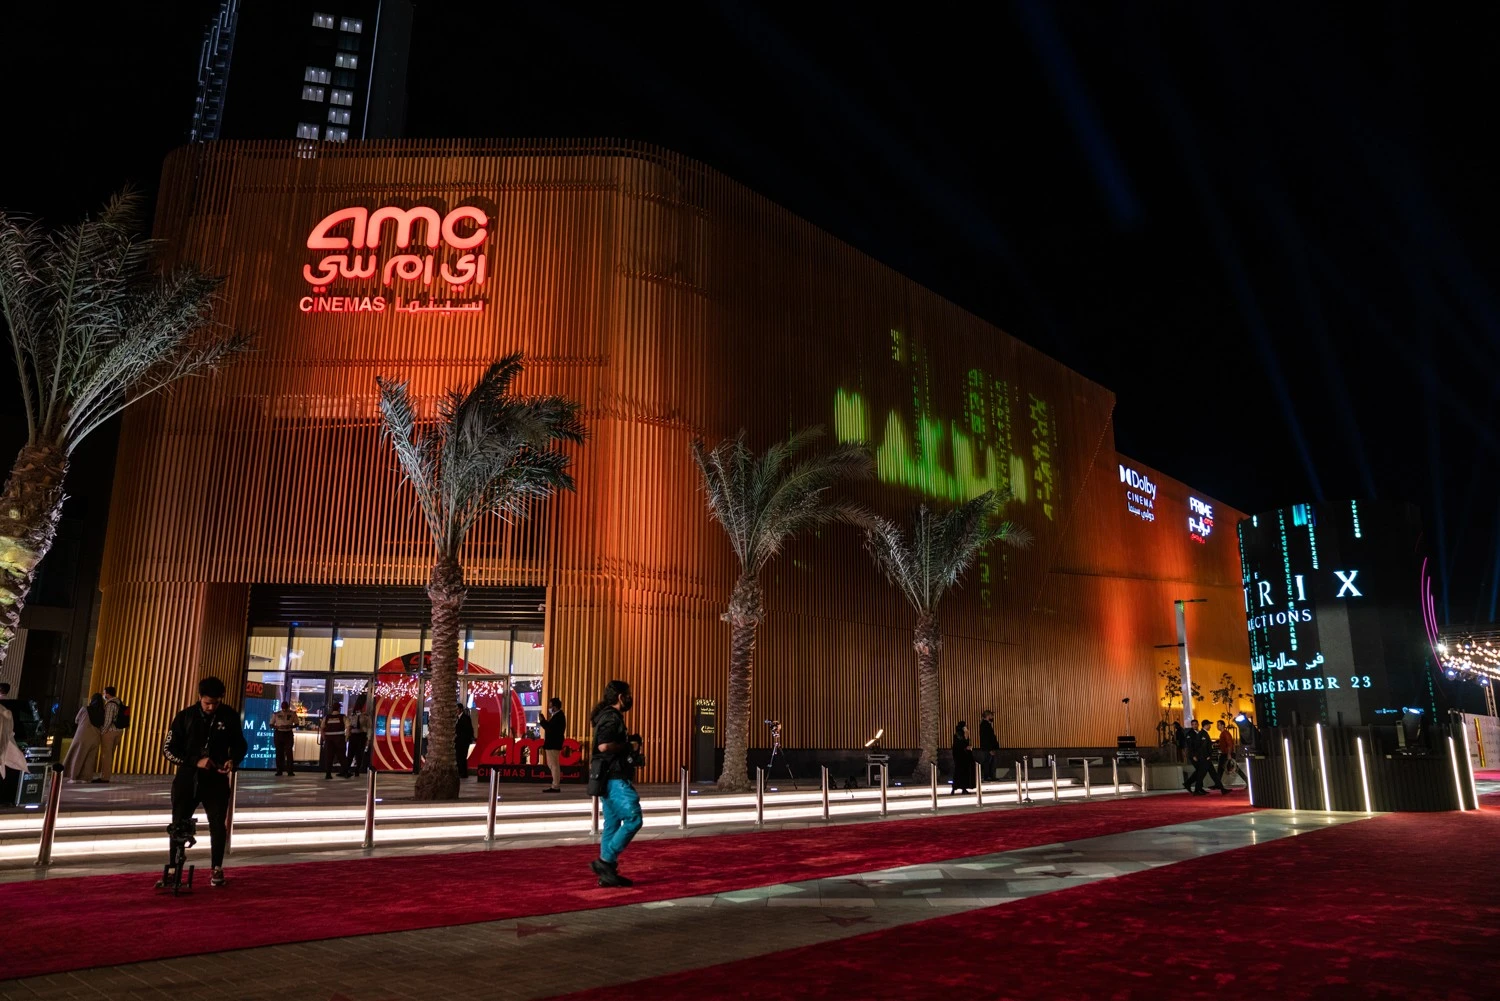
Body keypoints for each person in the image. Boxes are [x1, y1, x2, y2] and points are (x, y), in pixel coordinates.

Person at [163, 676, 247, 887]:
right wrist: (195, 761)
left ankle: (217, 868)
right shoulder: (185, 716)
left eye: (215, 703)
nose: (210, 707)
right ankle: (173, 869)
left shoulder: (229, 716)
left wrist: (232, 760)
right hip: (187, 779)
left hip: (216, 780)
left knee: (218, 825)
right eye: (207, 702)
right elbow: (168, 750)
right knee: (178, 824)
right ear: (199, 697)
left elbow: (240, 744)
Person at [590, 680, 643, 887]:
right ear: (620, 697)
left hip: (607, 778)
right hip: (615, 778)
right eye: (628, 694)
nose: (630, 698)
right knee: (634, 819)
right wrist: (628, 746)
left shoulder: (605, 716)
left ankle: (608, 873)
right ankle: (605, 861)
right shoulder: (611, 718)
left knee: (612, 824)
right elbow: (604, 746)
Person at [63, 693, 104, 783]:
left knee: (78, 755)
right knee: (90, 758)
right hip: (96, 737)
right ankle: (85, 778)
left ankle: (73, 777)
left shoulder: (85, 709)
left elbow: (76, 720)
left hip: (83, 735)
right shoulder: (102, 712)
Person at [1183, 720, 1226, 796]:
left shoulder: (1200, 733)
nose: (1194, 726)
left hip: (1202, 756)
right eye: (1193, 724)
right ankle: (1194, 787)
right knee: (1201, 773)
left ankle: (1220, 789)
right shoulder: (1193, 734)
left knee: (1207, 773)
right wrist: (1195, 756)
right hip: (1200, 757)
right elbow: (1194, 746)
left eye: (1196, 724)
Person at [96, 686, 124, 784]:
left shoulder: (110, 704)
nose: (103, 695)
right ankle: (106, 775)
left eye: (104, 693)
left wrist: (102, 732)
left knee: (106, 755)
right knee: (110, 754)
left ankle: (104, 777)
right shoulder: (119, 702)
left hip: (110, 732)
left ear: (107, 694)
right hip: (119, 731)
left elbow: (107, 721)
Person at [539, 696, 566, 792]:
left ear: (555, 707)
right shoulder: (556, 716)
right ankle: (555, 784)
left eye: (550, 705)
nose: (549, 708)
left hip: (554, 744)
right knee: (552, 764)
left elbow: (550, 729)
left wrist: (542, 721)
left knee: (554, 765)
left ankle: (555, 786)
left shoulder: (559, 716)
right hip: (552, 744)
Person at [270, 699, 299, 776]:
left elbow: (297, 723)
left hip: (288, 734)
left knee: (289, 752)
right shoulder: (276, 714)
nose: (284, 709)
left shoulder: (292, 714)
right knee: (279, 753)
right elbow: (271, 724)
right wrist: (277, 727)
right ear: (281, 706)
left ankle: (290, 771)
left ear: (288, 707)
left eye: (285, 707)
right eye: (283, 707)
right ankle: (279, 770)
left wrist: (290, 726)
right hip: (279, 733)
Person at [343, 694, 369, 778]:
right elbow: (349, 727)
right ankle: (347, 769)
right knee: (350, 753)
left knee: (359, 753)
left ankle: (357, 769)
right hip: (353, 735)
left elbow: (369, 727)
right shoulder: (352, 717)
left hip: (361, 735)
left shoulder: (365, 717)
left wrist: (368, 738)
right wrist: (347, 736)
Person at [319, 702, 347, 780]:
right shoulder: (343, 717)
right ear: (339, 709)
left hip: (329, 740)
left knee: (329, 757)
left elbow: (322, 728)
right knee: (342, 756)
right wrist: (347, 738)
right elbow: (348, 726)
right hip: (339, 740)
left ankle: (328, 774)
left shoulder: (327, 717)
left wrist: (324, 738)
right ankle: (345, 772)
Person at [951, 721, 975, 794]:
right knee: (962, 772)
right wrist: (966, 747)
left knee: (960, 772)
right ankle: (962, 787)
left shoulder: (959, 734)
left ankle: (957, 788)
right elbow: (961, 744)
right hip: (961, 756)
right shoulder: (959, 735)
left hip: (961, 756)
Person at [977, 708, 1000, 781]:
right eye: (991, 716)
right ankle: (988, 776)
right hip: (988, 748)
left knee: (990, 762)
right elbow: (986, 738)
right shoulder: (985, 724)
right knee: (988, 762)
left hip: (988, 747)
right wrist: (990, 749)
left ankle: (990, 776)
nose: (992, 717)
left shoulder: (985, 724)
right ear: (988, 716)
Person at [454, 701, 475, 780]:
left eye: (457, 709)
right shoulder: (457, 718)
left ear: (460, 709)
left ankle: (463, 773)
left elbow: (467, 730)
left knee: (462, 757)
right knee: (459, 757)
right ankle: (461, 772)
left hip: (463, 742)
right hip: (459, 742)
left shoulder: (465, 718)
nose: (456, 711)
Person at [1215, 719, 1238, 787]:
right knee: (1221, 769)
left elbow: (1229, 744)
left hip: (1227, 753)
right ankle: (1218, 784)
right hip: (1225, 753)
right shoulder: (1223, 733)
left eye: (1218, 725)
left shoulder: (1225, 733)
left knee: (1234, 768)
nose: (1217, 726)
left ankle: (1217, 784)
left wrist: (1229, 754)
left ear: (1223, 725)